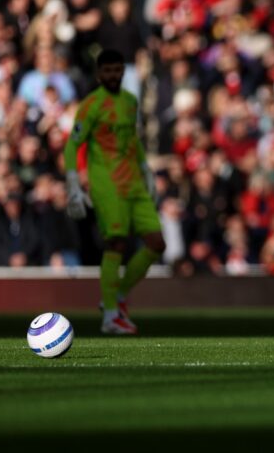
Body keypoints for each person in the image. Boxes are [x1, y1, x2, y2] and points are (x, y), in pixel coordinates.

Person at [63, 49, 165, 335]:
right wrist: (73, 182)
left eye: (117, 70)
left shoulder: (130, 102)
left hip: (133, 180)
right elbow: (73, 144)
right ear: (98, 74)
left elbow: (132, 138)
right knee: (116, 243)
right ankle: (110, 316)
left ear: (123, 71)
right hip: (106, 183)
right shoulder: (91, 105)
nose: (112, 75)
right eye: (107, 71)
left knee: (156, 244)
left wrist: (146, 169)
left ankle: (116, 296)